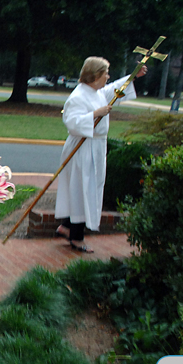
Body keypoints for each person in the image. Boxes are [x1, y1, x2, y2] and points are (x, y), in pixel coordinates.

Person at [54, 56, 146, 252]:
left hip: (94, 146)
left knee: (84, 189)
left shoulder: (95, 92)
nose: (108, 76)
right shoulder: (78, 96)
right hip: (82, 148)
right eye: (105, 73)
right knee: (81, 190)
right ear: (95, 75)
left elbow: (112, 90)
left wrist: (132, 77)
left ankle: (67, 227)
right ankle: (76, 237)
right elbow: (72, 122)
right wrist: (95, 114)